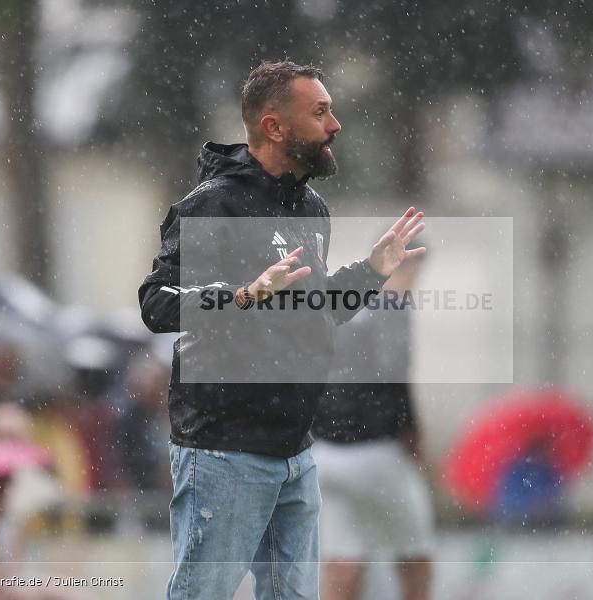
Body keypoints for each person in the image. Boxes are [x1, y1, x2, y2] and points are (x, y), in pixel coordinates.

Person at [138, 60, 426, 600]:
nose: (334, 124)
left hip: (295, 452)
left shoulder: (311, 207)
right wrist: (243, 295)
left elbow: (319, 310)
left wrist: (370, 271)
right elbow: (155, 303)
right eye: (320, 112)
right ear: (274, 127)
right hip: (223, 450)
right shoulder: (212, 205)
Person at [311, 249, 435, 600]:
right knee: (415, 558)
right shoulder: (393, 305)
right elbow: (395, 373)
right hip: (374, 451)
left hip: (325, 453)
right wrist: (413, 433)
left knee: (343, 563)